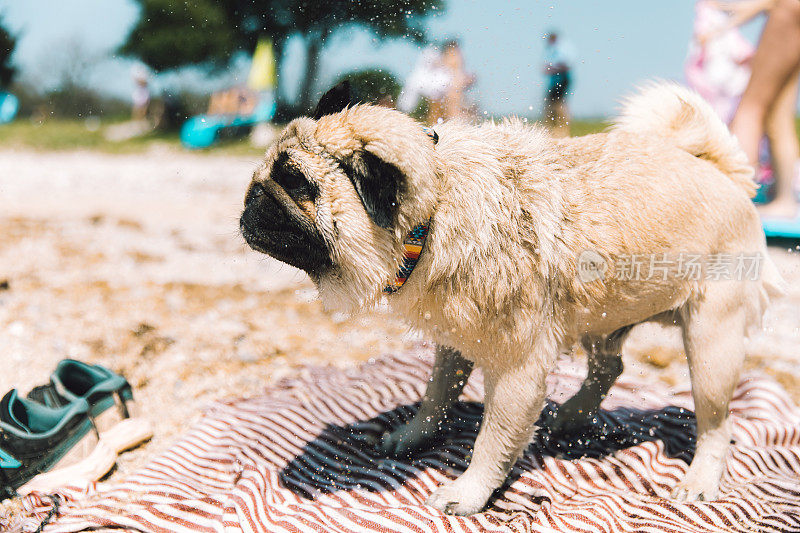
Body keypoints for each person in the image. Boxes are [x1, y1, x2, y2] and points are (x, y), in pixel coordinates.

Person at [728, 0, 800, 218]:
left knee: (751, 107)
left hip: (788, 9)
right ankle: (785, 199)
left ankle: (734, 203)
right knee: (777, 113)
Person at [542, 31, 576, 137]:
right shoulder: (555, 49)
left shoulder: (561, 49)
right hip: (557, 80)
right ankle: (553, 129)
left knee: (558, 104)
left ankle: (561, 129)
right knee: (551, 104)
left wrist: (551, 69)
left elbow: (566, 65)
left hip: (562, 79)